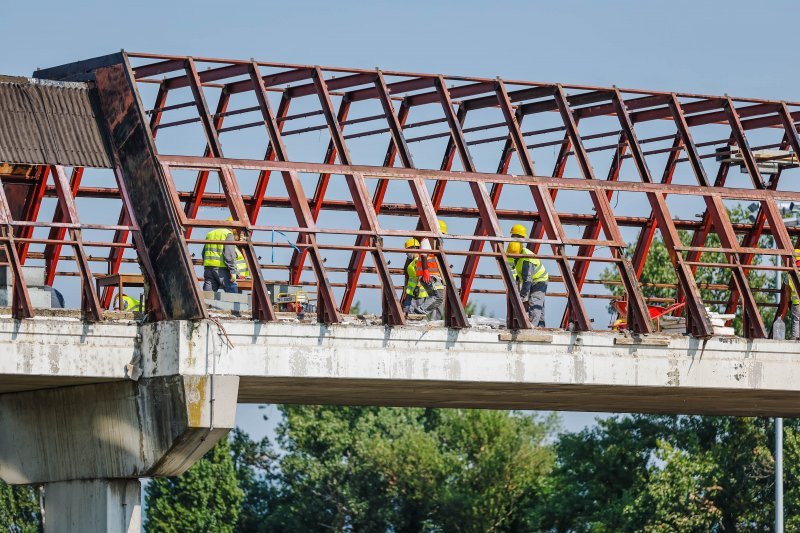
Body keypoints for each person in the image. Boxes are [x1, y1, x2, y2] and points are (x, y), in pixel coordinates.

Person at [507, 224, 548, 327]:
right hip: (529, 278)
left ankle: (532, 327)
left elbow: (527, 280)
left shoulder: (527, 259)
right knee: (539, 303)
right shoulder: (510, 253)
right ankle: (540, 326)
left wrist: (522, 296)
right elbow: (512, 273)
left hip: (539, 279)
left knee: (535, 302)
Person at [202, 220, 250, 293]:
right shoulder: (228, 234)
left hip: (208, 268)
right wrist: (233, 271)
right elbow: (229, 255)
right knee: (233, 293)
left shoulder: (210, 233)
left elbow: (203, 252)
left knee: (208, 295)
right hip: (222, 269)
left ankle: (203, 304)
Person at [402, 238, 444, 319]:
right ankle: (424, 315)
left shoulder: (418, 259)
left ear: (413, 248)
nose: (406, 253)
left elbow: (418, 275)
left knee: (437, 299)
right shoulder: (415, 260)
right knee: (409, 312)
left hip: (418, 292)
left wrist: (417, 287)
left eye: (407, 250)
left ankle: (426, 315)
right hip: (412, 291)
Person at [417, 219, 447, 320]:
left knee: (438, 299)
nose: (442, 236)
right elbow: (424, 256)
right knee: (438, 297)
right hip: (430, 275)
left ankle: (435, 320)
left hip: (434, 275)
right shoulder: (428, 240)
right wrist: (426, 271)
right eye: (442, 233)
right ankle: (420, 311)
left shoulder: (435, 242)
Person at [789, 249, 800, 340]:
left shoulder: (790, 274)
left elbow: (786, 288)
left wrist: (788, 300)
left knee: (796, 320)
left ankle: (796, 338)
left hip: (796, 302)